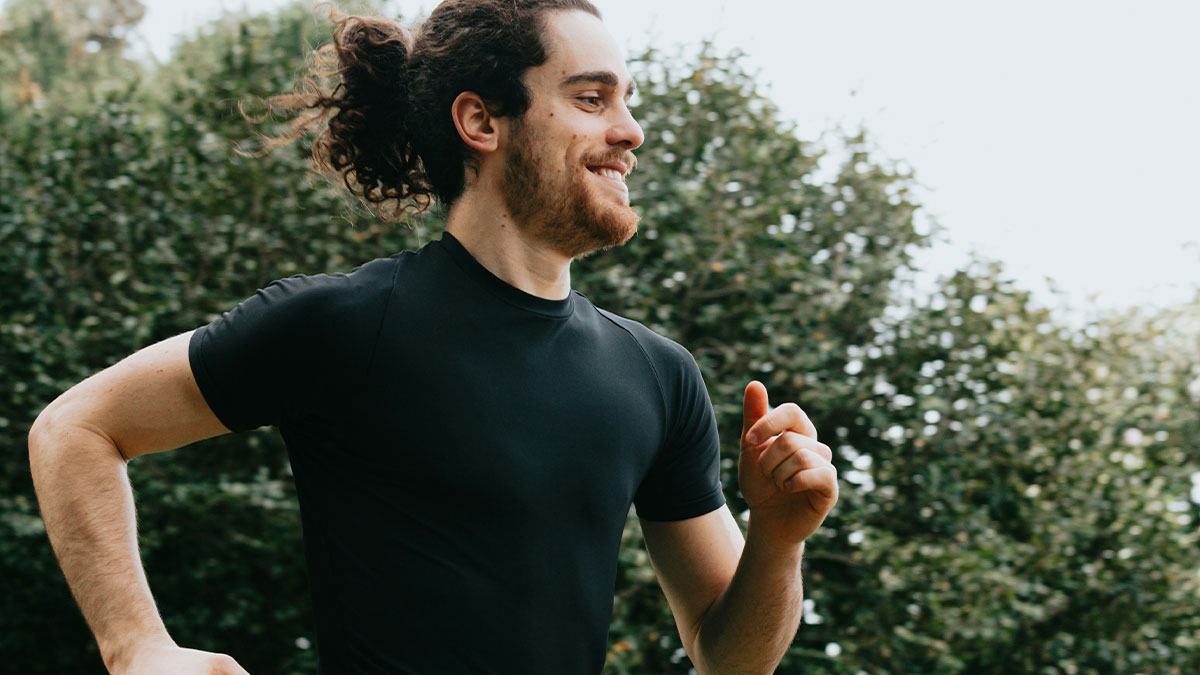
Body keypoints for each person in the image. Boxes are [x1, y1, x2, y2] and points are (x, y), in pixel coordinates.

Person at [26, 1, 839, 673]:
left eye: (629, 100)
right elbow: (76, 427)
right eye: (592, 99)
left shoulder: (659, 375)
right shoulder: (346, 324)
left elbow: (730, 657)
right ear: (481, 120)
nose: (631, 131)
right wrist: (138, 648)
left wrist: (776, 538)